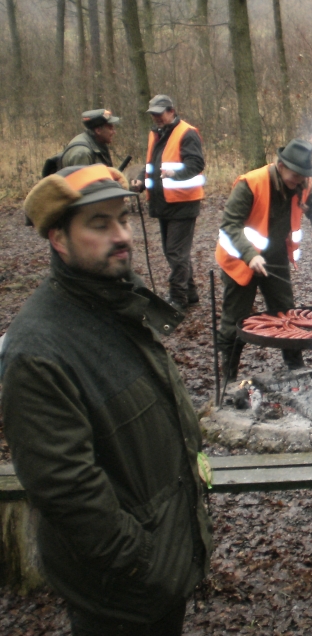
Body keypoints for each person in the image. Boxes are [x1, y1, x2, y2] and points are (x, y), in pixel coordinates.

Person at [2, 164, 212, 634]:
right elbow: (67, 491)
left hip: (164, 563)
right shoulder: (38, 351)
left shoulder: (118, 302)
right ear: (58, 238)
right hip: (121, 595)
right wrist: (144, 563)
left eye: (122, 218)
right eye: (99, 224)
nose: (122, 235)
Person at [216, 139, 312, 381]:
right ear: (280, 166)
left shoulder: (302, 183)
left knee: (286, 313)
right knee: (235, 319)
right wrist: (251, 256)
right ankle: (228, 377)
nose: (299, 181)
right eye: (295, 175)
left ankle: (295, 367)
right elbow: (230, 225)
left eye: (302, 176)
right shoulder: (250, 183)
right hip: (240, 259)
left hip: (276, 257)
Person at [130, 94, 206, 311]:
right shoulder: (155, 133)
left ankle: (178, 297)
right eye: (153, 114)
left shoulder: (186, 132)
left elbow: (196, 163)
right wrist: (141, 182)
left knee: (175, 252)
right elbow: (152, 165)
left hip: (183, 202)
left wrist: (175, 173)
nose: (156, 117)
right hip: (163, 202)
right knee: (173, 251)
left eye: (159, 113)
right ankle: (190, 293)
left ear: (171, 111)